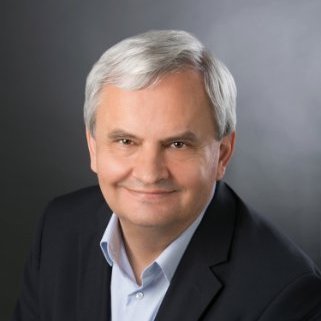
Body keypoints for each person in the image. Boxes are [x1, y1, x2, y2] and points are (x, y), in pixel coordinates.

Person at [12, 30, 321, 321]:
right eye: (126, 141)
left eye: (177, 144)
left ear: (222, 153)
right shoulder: (59, 227)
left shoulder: (285, 293)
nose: (149, 174)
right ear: (93, 147)